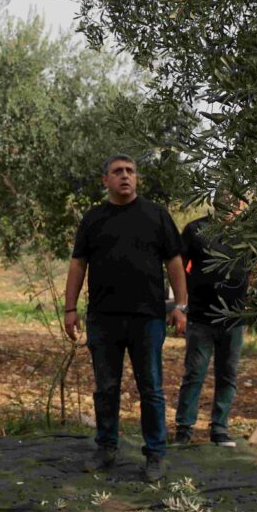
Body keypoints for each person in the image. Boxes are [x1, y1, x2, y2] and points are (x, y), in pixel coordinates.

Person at [63, 154, 187, 483]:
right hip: (103, 319)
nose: (125, 176)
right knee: (106, 388)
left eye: (130, 171)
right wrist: (70, 308)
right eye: (117, 172)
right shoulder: (93, 219)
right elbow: (78, 264)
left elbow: (175, 262)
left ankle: (156, 454)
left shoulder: (156, 215)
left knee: (152, 389)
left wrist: (181, 306)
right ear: (106, 180)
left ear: (137, 178)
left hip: (147, 318)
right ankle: (105, 448)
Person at [173, 207, 250, 447]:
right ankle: (184, 430)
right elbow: (178, 266)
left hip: (234, 319)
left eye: (236, 202)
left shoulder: (248, 234)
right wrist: (180, 305)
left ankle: (219, 429)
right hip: (201, 317)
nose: (231, 207)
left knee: (227, 375)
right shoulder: (196, 229)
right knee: (194, 374)